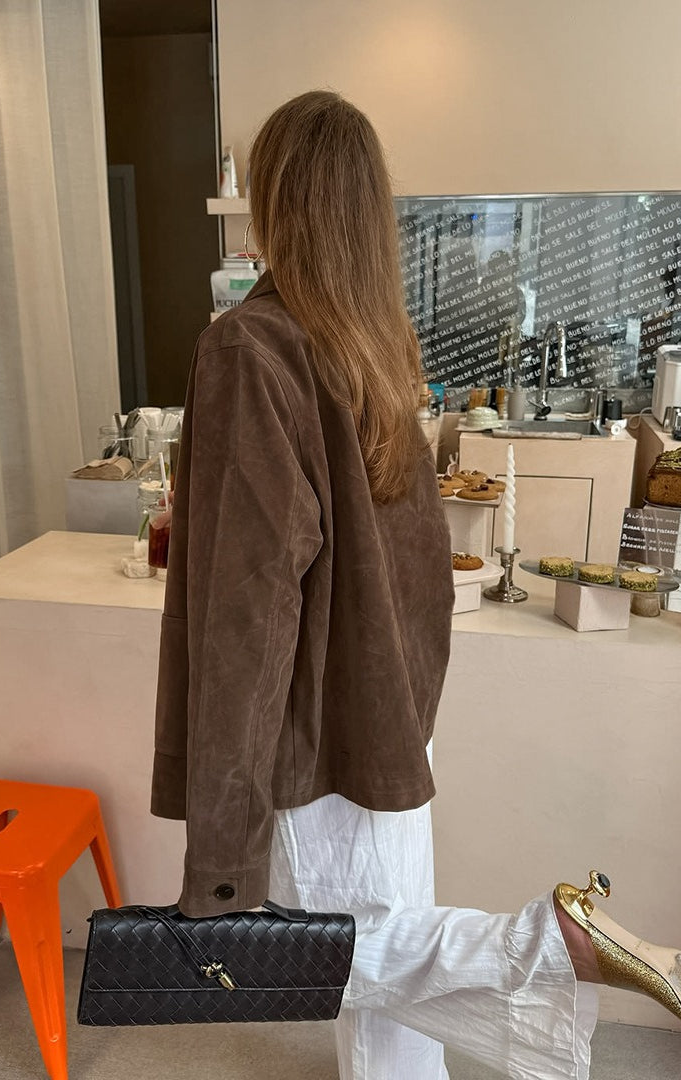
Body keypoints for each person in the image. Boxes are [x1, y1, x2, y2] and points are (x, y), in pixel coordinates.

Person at [152, 90, 681, 1080]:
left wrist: (223, 843)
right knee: (385, 959)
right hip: (388, 706)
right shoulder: (375, 344)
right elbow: (415, 563)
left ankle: (555, 943)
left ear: (274, 199)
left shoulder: (250, 347)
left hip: (316, 725)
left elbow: (245, 607)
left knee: (339, 949)